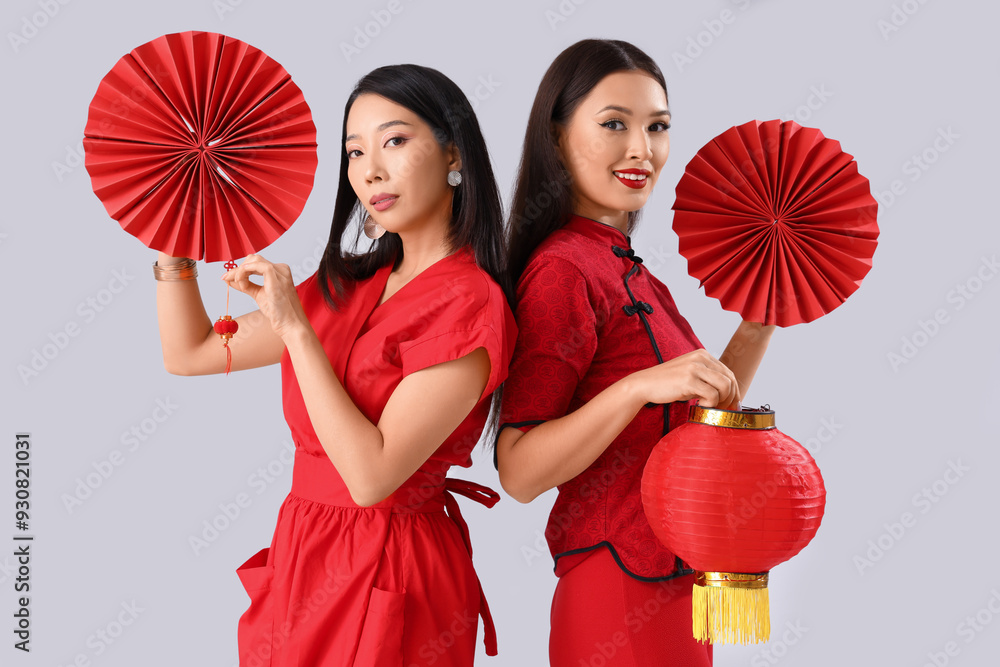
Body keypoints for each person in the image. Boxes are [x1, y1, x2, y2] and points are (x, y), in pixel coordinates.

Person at [155, 64, 516, 666]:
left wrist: (295, 326)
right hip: (304, 550)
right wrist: (174, 233)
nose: (369, 168)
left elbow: (372, 477)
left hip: (392, 561)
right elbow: (191, 353)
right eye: (354, 151)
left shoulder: (470, 302)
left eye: (394, 141)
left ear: (454, 153)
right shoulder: (348, 284)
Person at [495, 39, 775, 666]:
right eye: (614, 124)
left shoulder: (636, 274)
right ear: (557, 135)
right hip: (618, 592)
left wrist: (756, 328)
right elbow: (517, 469)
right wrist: (637, 387)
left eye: (658, 126)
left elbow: (697, 427)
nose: (641, 150)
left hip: (680, 586)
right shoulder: (562, 271)